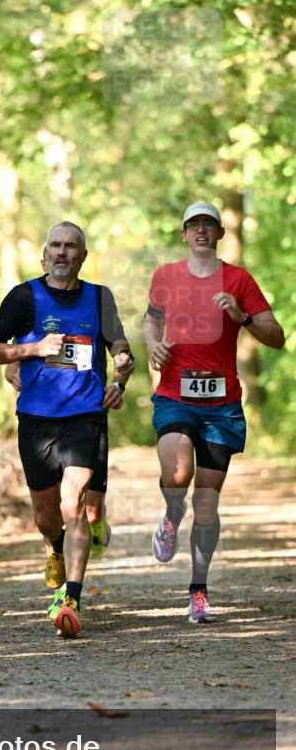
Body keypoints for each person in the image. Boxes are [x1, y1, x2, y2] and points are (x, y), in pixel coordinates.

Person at [0, 221, 134, 638]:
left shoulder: (100, 298)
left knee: (75, 504)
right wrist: (30, 349)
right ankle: (53, 548)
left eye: (71, 247)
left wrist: (119, 375)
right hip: (36, 420)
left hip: (85, 416)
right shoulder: (23, 297)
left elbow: (120, 347)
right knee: (47, 517)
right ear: (44, 255)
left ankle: (71, 597)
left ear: (83, 257)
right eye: (56, 246)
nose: (63, 253)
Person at [143, 201, 285, 623]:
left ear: (220, 233)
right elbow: (151, 321)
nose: (201, 230)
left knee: (206, 504)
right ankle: (171, 515)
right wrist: (152, 343)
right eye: (194, 225)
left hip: (221, 404)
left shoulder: (239, 279)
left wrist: (242, 318)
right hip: (174, 393)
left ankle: (198, 591)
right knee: (179, 474)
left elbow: (275, 336)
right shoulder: (166, 276)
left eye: (209, 224)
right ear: (184, 234)